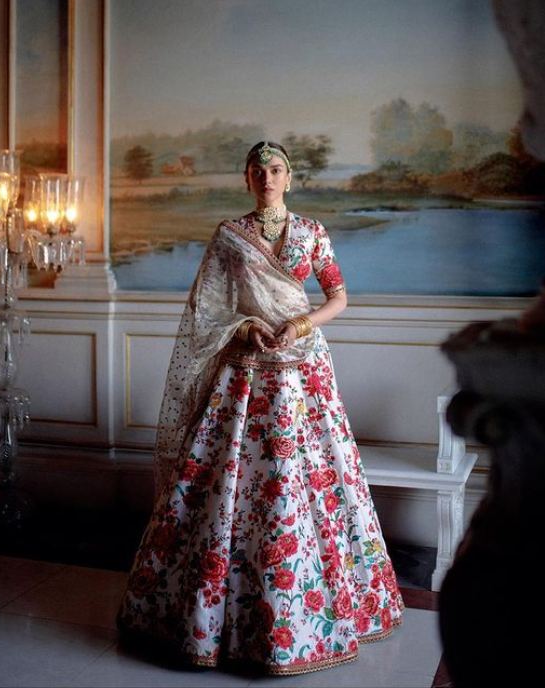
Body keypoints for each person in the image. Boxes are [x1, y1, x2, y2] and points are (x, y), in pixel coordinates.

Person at [117, 141, 404, 676]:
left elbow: (338, 298)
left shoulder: (313, 232)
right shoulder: (230, 236)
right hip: (245, 369)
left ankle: (321, 609)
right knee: (233, 483)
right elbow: (209, 308)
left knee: (309, 477)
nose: (267, 178)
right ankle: (205, 620)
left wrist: (299, 324)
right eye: (258, 171)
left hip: (304, 372)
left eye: (276, 170)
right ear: (246, 179)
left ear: (289, 179)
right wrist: (245, 326)